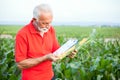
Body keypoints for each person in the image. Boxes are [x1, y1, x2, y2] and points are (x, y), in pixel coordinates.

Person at [15, 4, 76, 80]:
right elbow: (21, 64)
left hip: (50, 76)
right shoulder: (23, 34)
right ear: (34, 20)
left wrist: (67, 53)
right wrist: (44, 58)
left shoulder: (50, 30)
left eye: (50, 22)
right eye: (44, 23)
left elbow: (56, 50)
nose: (48, 26)